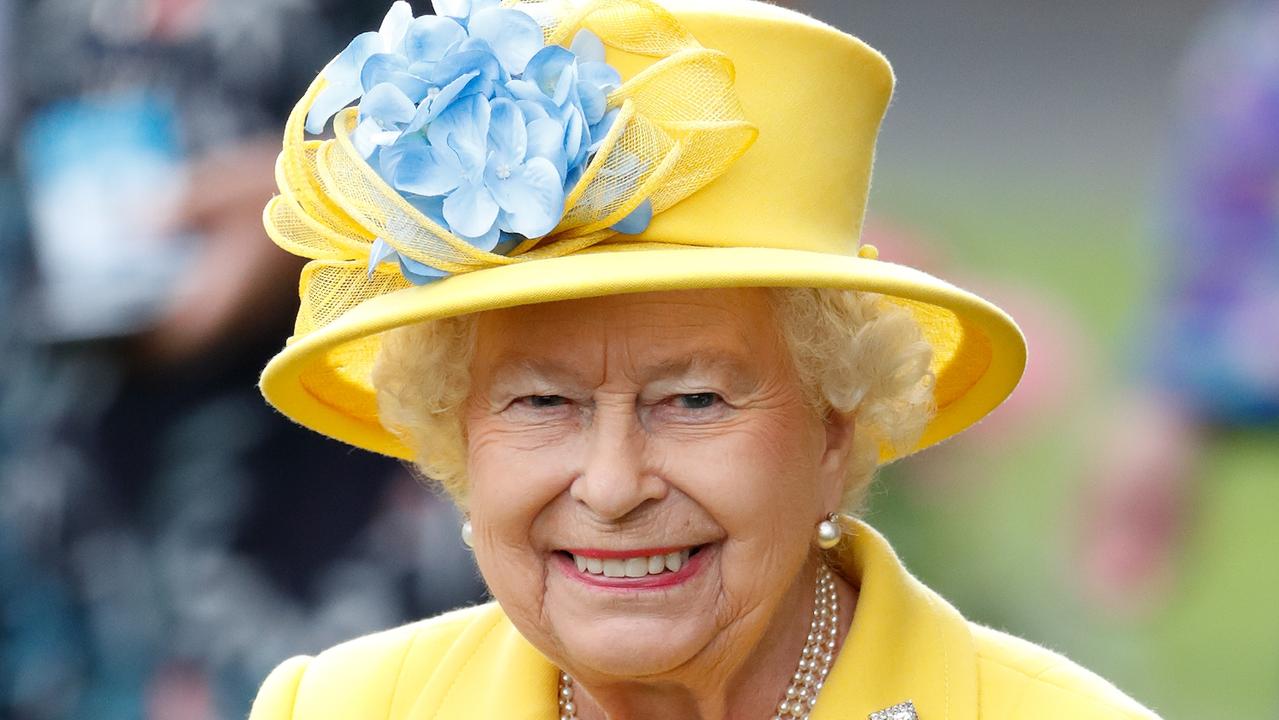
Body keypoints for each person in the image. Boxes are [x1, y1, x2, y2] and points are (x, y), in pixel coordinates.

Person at [248, 1, 1161, 717]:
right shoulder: (333, 709)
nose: (611, 486)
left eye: (692, 400)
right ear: (457, 439)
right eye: (539, 403)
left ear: (834, 431)